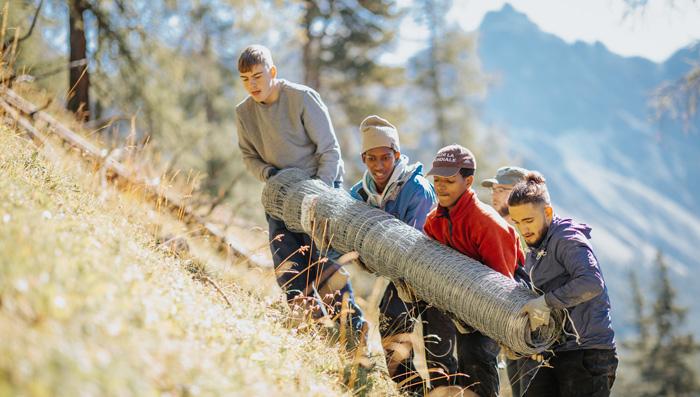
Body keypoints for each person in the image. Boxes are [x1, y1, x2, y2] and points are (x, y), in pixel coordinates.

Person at [234, 44, 365, 334]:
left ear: (272, 72)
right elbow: (248, 157)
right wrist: (269, 174)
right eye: (245, 79)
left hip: (320, 187)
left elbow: (330, 150)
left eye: (257, 76)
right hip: (280, 192)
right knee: (288, 262)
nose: (252, 85)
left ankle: (351, 330)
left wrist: (321, 195)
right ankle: (311, 328)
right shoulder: (244, 113)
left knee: (322, 261)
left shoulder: (302, 98)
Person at [349, 115, 457, 392]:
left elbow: (413, 245)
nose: (378, 166)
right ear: (364, 159)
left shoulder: (417, 190)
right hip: (399, 280)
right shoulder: (361, 193)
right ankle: (411, 391)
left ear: (396, 155)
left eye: (384, 157)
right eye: (371, 159)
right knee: (392, 336)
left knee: (438, 352)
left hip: (434, 278)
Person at [423, 145, 525, 397]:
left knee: (475, 359)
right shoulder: (435, 219)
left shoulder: (486, 223)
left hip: (491, 305)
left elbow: (503, 282)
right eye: (437, 180)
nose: (441, 186)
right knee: (437, 352)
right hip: (452, 300)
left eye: (449, 180)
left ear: (468, 181)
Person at [508, 171, 617, 397]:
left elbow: (591, 282)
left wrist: (546, 302)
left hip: (589, 353)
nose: (523, 229)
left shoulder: (567, 238)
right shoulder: (536, 247)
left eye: (528, 221)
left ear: (547, 212)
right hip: (557, 352)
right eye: (517, 222)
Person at [481, 166, 530, 396]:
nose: (494, 193)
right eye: (493, 188)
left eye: (502, 189)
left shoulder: (529, 231)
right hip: (508, 331)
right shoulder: (498, 228)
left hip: (532, 333)